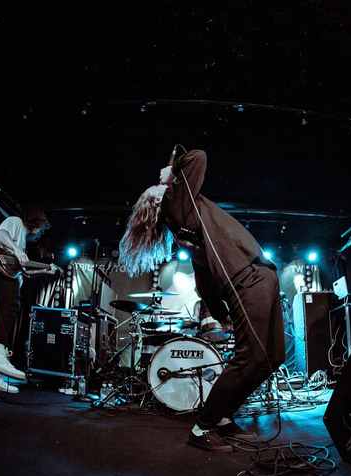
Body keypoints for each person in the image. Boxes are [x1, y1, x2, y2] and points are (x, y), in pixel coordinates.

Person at [119, 148, 285, 452]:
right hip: (247, 279)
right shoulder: (177, 204)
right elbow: (198, 156)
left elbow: (203, 280)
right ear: (157, 201)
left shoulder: (189, 221)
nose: (160, 183)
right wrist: (172, 173)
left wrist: (222, 316)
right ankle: (202, 427)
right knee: (250, 358)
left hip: (261, 276)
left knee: (273, 358)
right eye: (158, 188)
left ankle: (222, 418)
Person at [0, 207, 53, 393]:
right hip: (1, 274)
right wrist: (16, 249)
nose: (39, 231)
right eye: (41, 227)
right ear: (36, 221)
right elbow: (0, 233)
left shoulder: (21, 239)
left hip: (9, 276)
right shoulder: (16, 222)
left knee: (4, 320)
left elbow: (24, 272)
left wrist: (45, 270)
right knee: (11, 307)